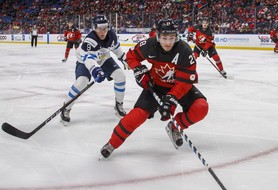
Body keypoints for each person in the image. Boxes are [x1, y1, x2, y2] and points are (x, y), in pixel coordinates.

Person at [100, 18, 209, 158]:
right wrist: (139, 70)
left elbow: (184, 83)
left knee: (201, 107)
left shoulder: (185, 51)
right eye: (164, 38)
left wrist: (171, 99)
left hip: (178, 87)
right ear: (157, 36)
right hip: (156, 86)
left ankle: (175, 127)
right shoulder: (149, 45)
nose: (168, 42)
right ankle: (111, 144)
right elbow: (131, 57)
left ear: (176, 36)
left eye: (171, 37)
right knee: (136, 115)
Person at [60, 15, 129, 125]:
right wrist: (95, 70)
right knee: (81, 82)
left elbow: (116, 49)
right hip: (85, 61)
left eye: (105, 28)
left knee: (121, 76)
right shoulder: (90, 40)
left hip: (103, 59)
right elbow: (88, 59)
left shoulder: (111, 35)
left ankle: (119, 104)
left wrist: (123, 58)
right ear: (94, 28)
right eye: (99, 29)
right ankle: (66, 108)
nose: (103, 32)